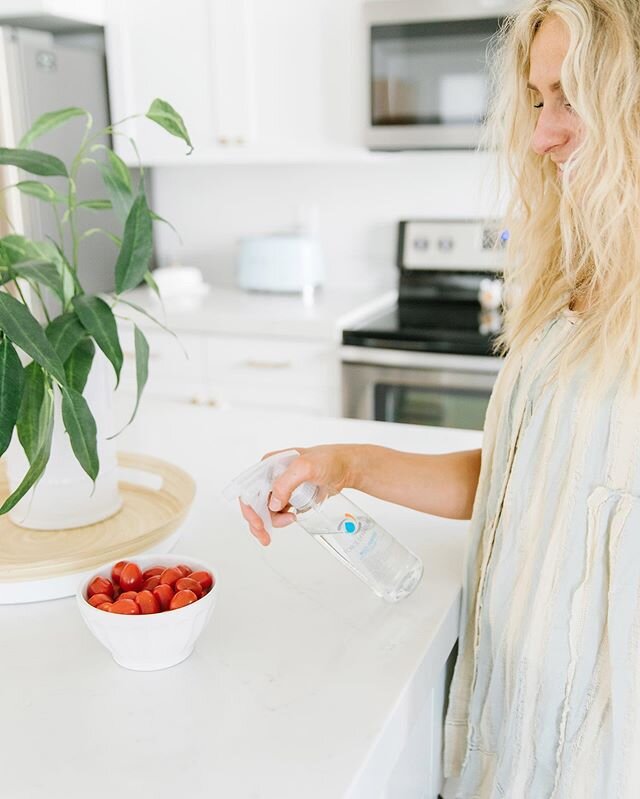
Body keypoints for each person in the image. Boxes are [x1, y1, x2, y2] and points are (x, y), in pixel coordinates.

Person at [239, 1, 640, 795]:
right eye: (536, 100)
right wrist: (344, 462)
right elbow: (519, 482)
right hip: (502, 718)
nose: (540, 133)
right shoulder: (580, 280)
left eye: (571, 98)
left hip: (590, 752)